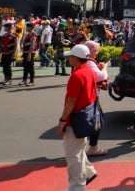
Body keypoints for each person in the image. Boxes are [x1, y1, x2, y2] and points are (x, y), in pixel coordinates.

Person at [56, 44, 98, 190]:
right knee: (78, 150)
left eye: (70, 56)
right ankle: (89, 172)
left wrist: (62, 121)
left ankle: (77, 186)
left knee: (73, 155)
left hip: (75, 119)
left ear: (75, 58)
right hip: (86, 116)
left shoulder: (77, 75)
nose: (69, 59)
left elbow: (71, 101)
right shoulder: (89, 71)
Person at [83, 41, 109, 157]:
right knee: (96, 121)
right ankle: (92, 147)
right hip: (90, 96)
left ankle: (90, 146)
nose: (97, 53)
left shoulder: (87, 62)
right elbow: (100, 76)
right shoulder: (89, 62)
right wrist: (105, 68)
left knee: (94, 120)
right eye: (96, 50)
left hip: (89, 95)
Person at [19, 22, 38, 86]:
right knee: (25, 66)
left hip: (30, 52)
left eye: (28, 27)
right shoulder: (27, 34)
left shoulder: (33, 34)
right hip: (26, 52)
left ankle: (32, 81)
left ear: (31, 28)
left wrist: (29, 54)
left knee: (30, 67)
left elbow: (32, 45)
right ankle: (24, 80)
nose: (26, 28)